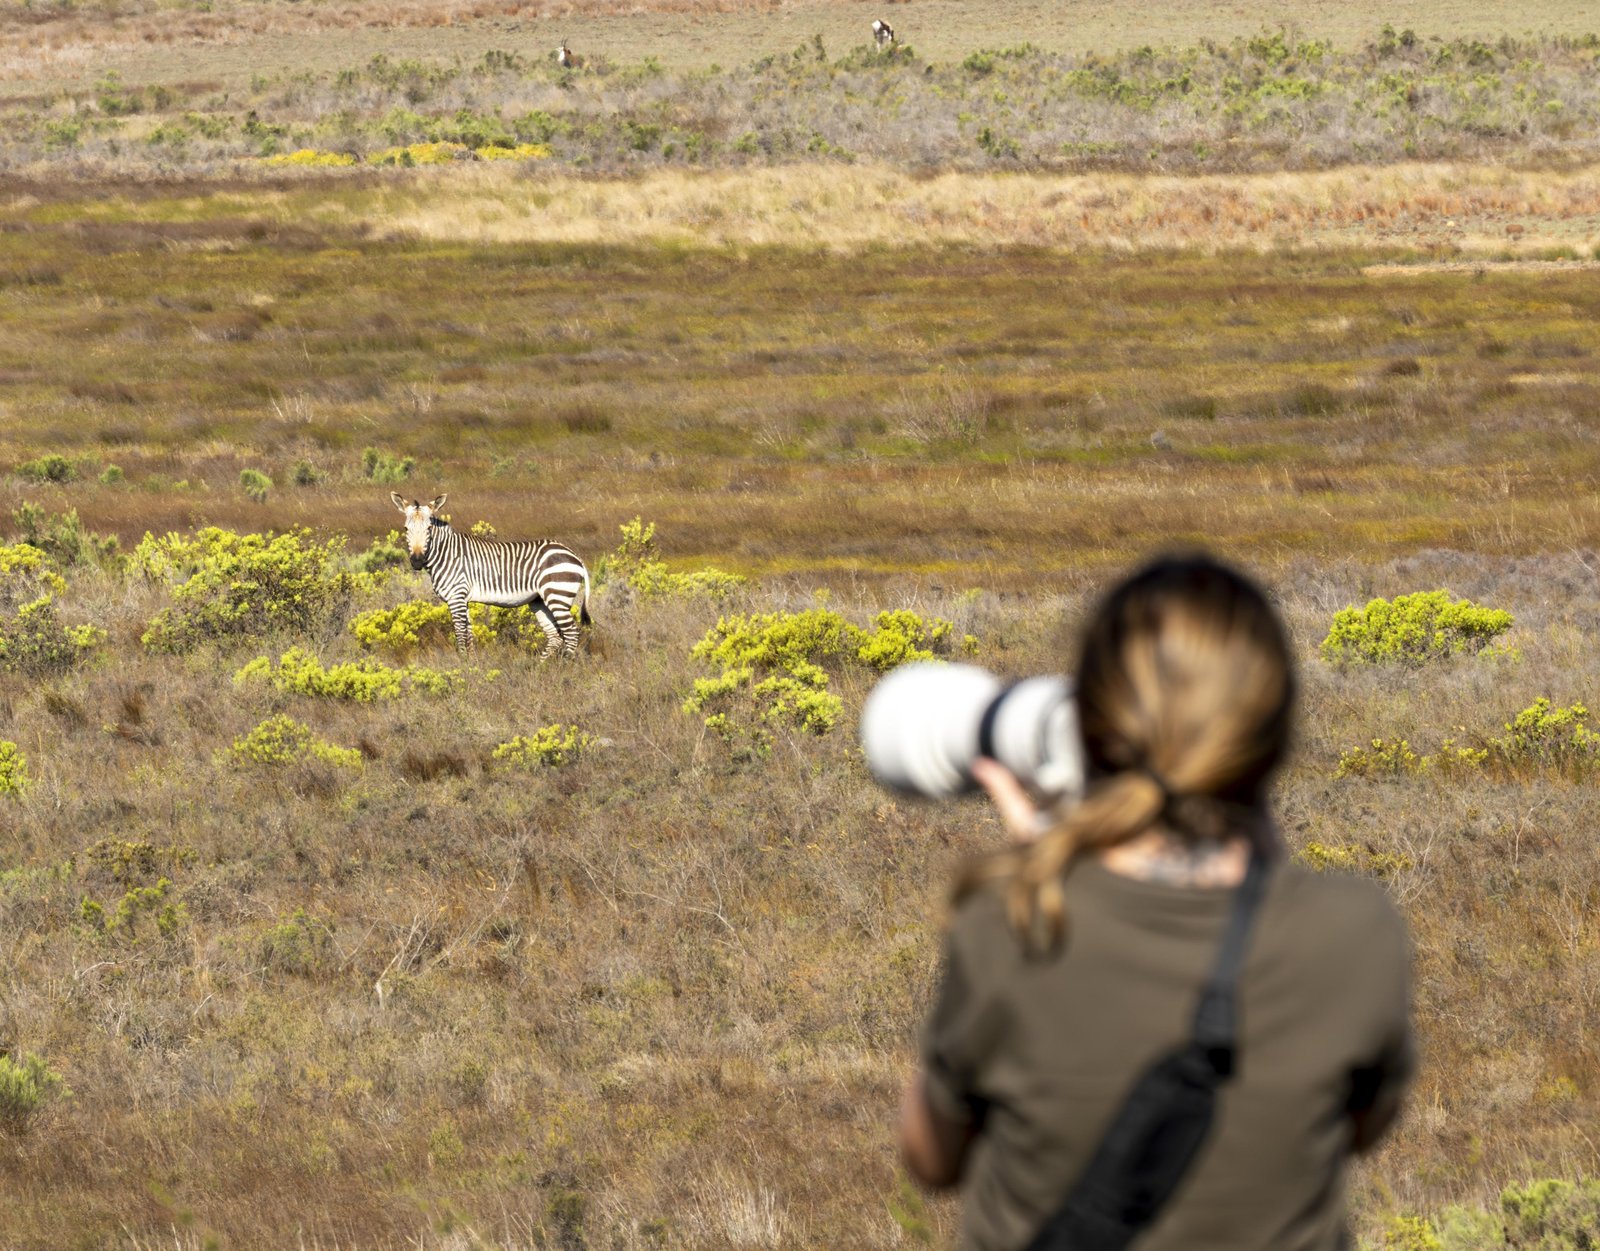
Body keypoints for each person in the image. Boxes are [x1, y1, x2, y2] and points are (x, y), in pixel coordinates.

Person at [899, 555, 1414, 1251]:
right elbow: (1358, 1128)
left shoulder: (1011, 923)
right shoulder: (1354, 934)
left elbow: (932, 1159)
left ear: (1091, 728)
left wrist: (1051, 861)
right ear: (1273, 735)